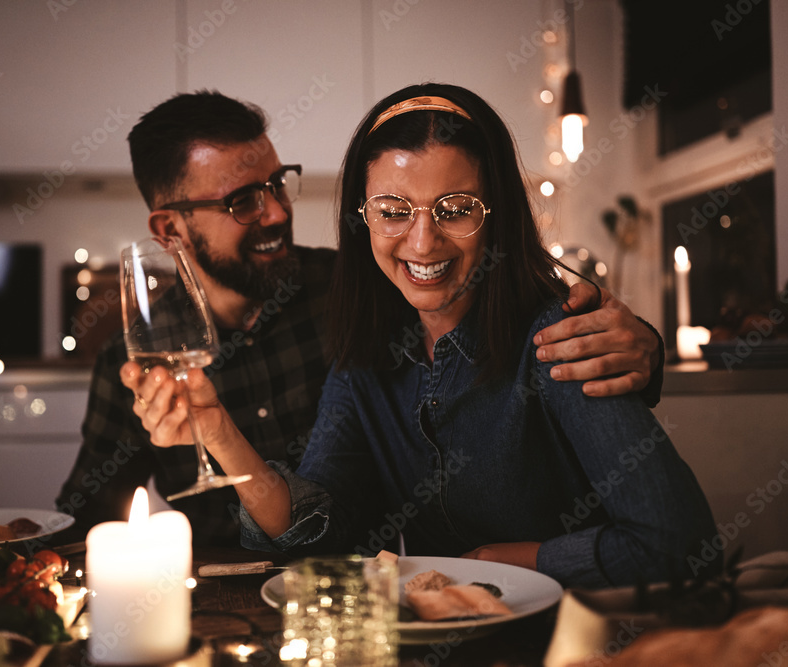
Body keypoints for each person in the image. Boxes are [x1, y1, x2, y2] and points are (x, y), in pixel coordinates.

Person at [61, 90, 666, 549]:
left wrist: (648, 346)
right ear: (169, 230)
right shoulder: (139, 361)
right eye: (242, 200)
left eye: (277, 184)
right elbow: (85, 521)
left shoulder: (363, 292)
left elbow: (668, 537)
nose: (275, 212)